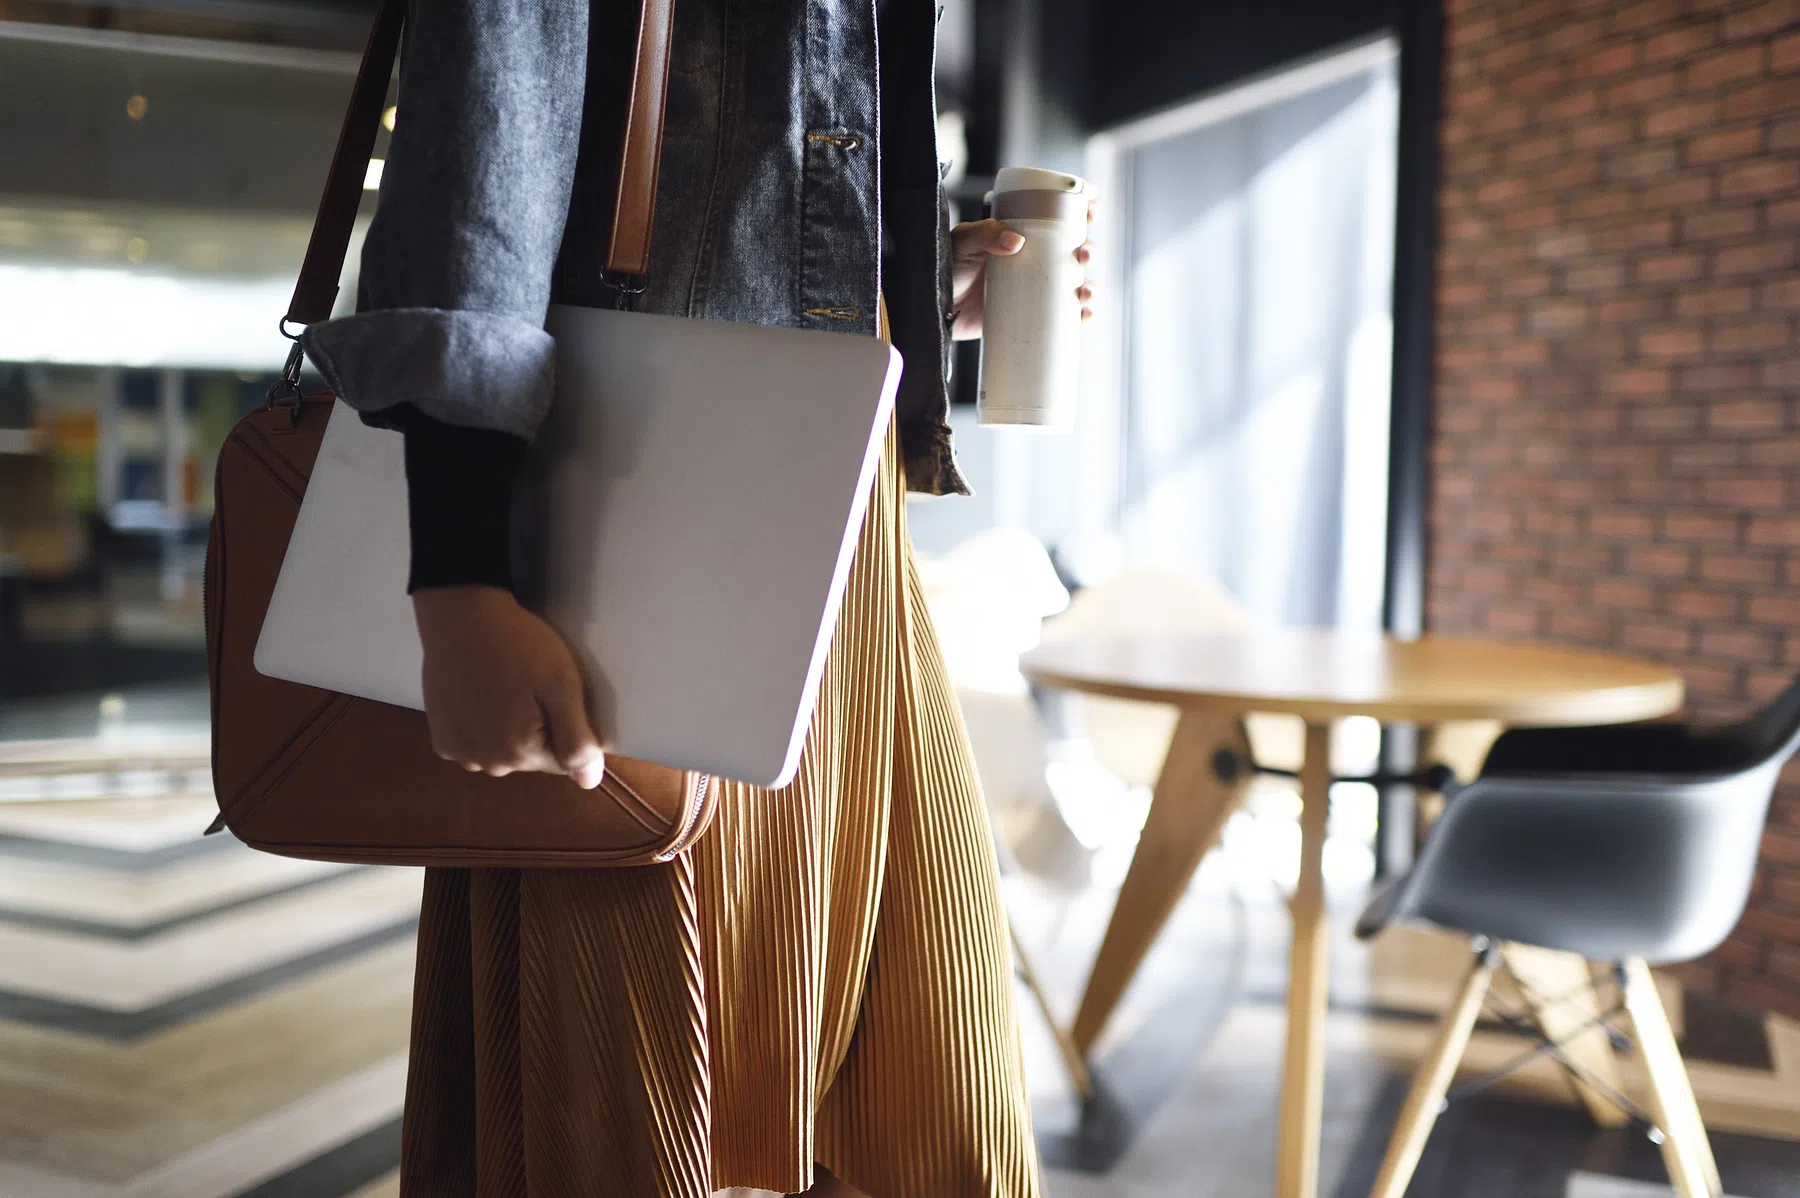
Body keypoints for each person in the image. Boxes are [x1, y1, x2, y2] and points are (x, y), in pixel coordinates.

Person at [301, 0, 1093, 1194]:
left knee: (933, 1119)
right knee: (621, 1122)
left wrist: (917, 278)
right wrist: (461, 568)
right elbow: (483, 137)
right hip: (634, 510)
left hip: (834, 512)